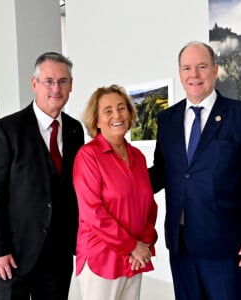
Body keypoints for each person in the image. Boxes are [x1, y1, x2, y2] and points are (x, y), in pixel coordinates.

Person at [149, 41, 241, 299]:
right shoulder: (167, 120)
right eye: (187, 68)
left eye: (202, 67)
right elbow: (162, 173)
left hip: (228, 247)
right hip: (181, 247)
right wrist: (118, 179)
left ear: (215, 70)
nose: (194, 75)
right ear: (180, 73)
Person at [0, 52, 84, 300]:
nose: (56, 88)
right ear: (34, 84)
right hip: (13, 255)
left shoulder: (75, 130)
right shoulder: (4, 131)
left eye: (63, 81)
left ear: (71, 85)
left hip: (58, 254)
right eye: (48, 81)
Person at [72, 84, 158, 300]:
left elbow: (149, 204)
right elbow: (94, 214)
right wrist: (132, 246)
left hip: (134, 257)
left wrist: (144, 243)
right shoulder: (88, 156)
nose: (117, 115)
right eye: (108, 111)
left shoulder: (137, 156)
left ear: (129, 113)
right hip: (102, 258)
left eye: (122, 108)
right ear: (96, 120)